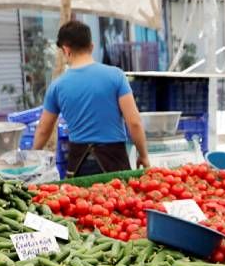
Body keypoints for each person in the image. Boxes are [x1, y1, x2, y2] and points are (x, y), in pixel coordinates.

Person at [33, 20, 150, 177]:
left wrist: (32, 158)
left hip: (79, 165)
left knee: (84, 201)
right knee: (119, 201)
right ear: (91, 46)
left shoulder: (57, 86)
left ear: (66, 50)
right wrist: (143, 155)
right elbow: (134, 123)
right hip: (114, 162)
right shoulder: (116, 76)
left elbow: (43, 130)